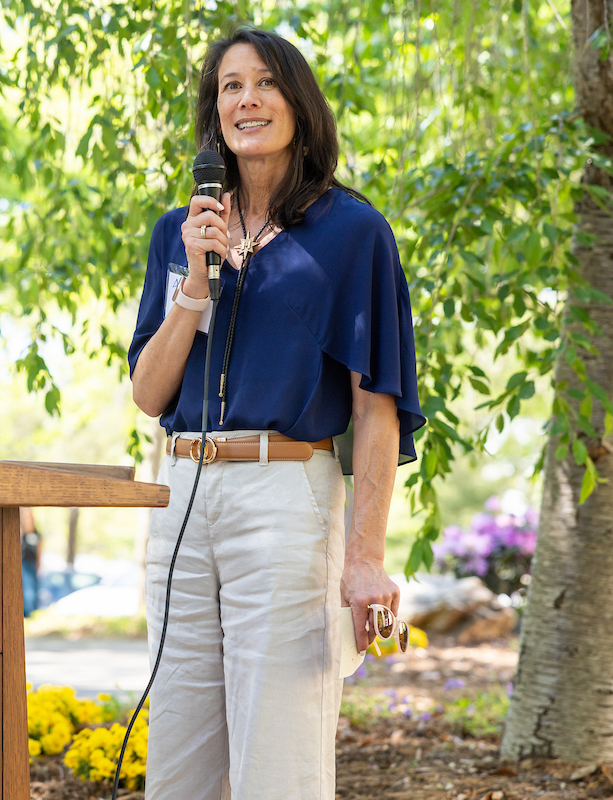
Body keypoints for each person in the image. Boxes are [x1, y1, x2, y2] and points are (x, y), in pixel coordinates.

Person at [127, 29, 426, 799]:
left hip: (285, 496)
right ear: (214, 110)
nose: (246, 99)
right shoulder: (178, 233)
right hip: (182, 501)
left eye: (265, 83)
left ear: (299, 104)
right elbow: (149, 394)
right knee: (180, 765)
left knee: (278, 760)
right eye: (230, 87)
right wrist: (195, 282)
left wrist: (364, 558)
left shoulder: (352, 233)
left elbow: (376, 408)